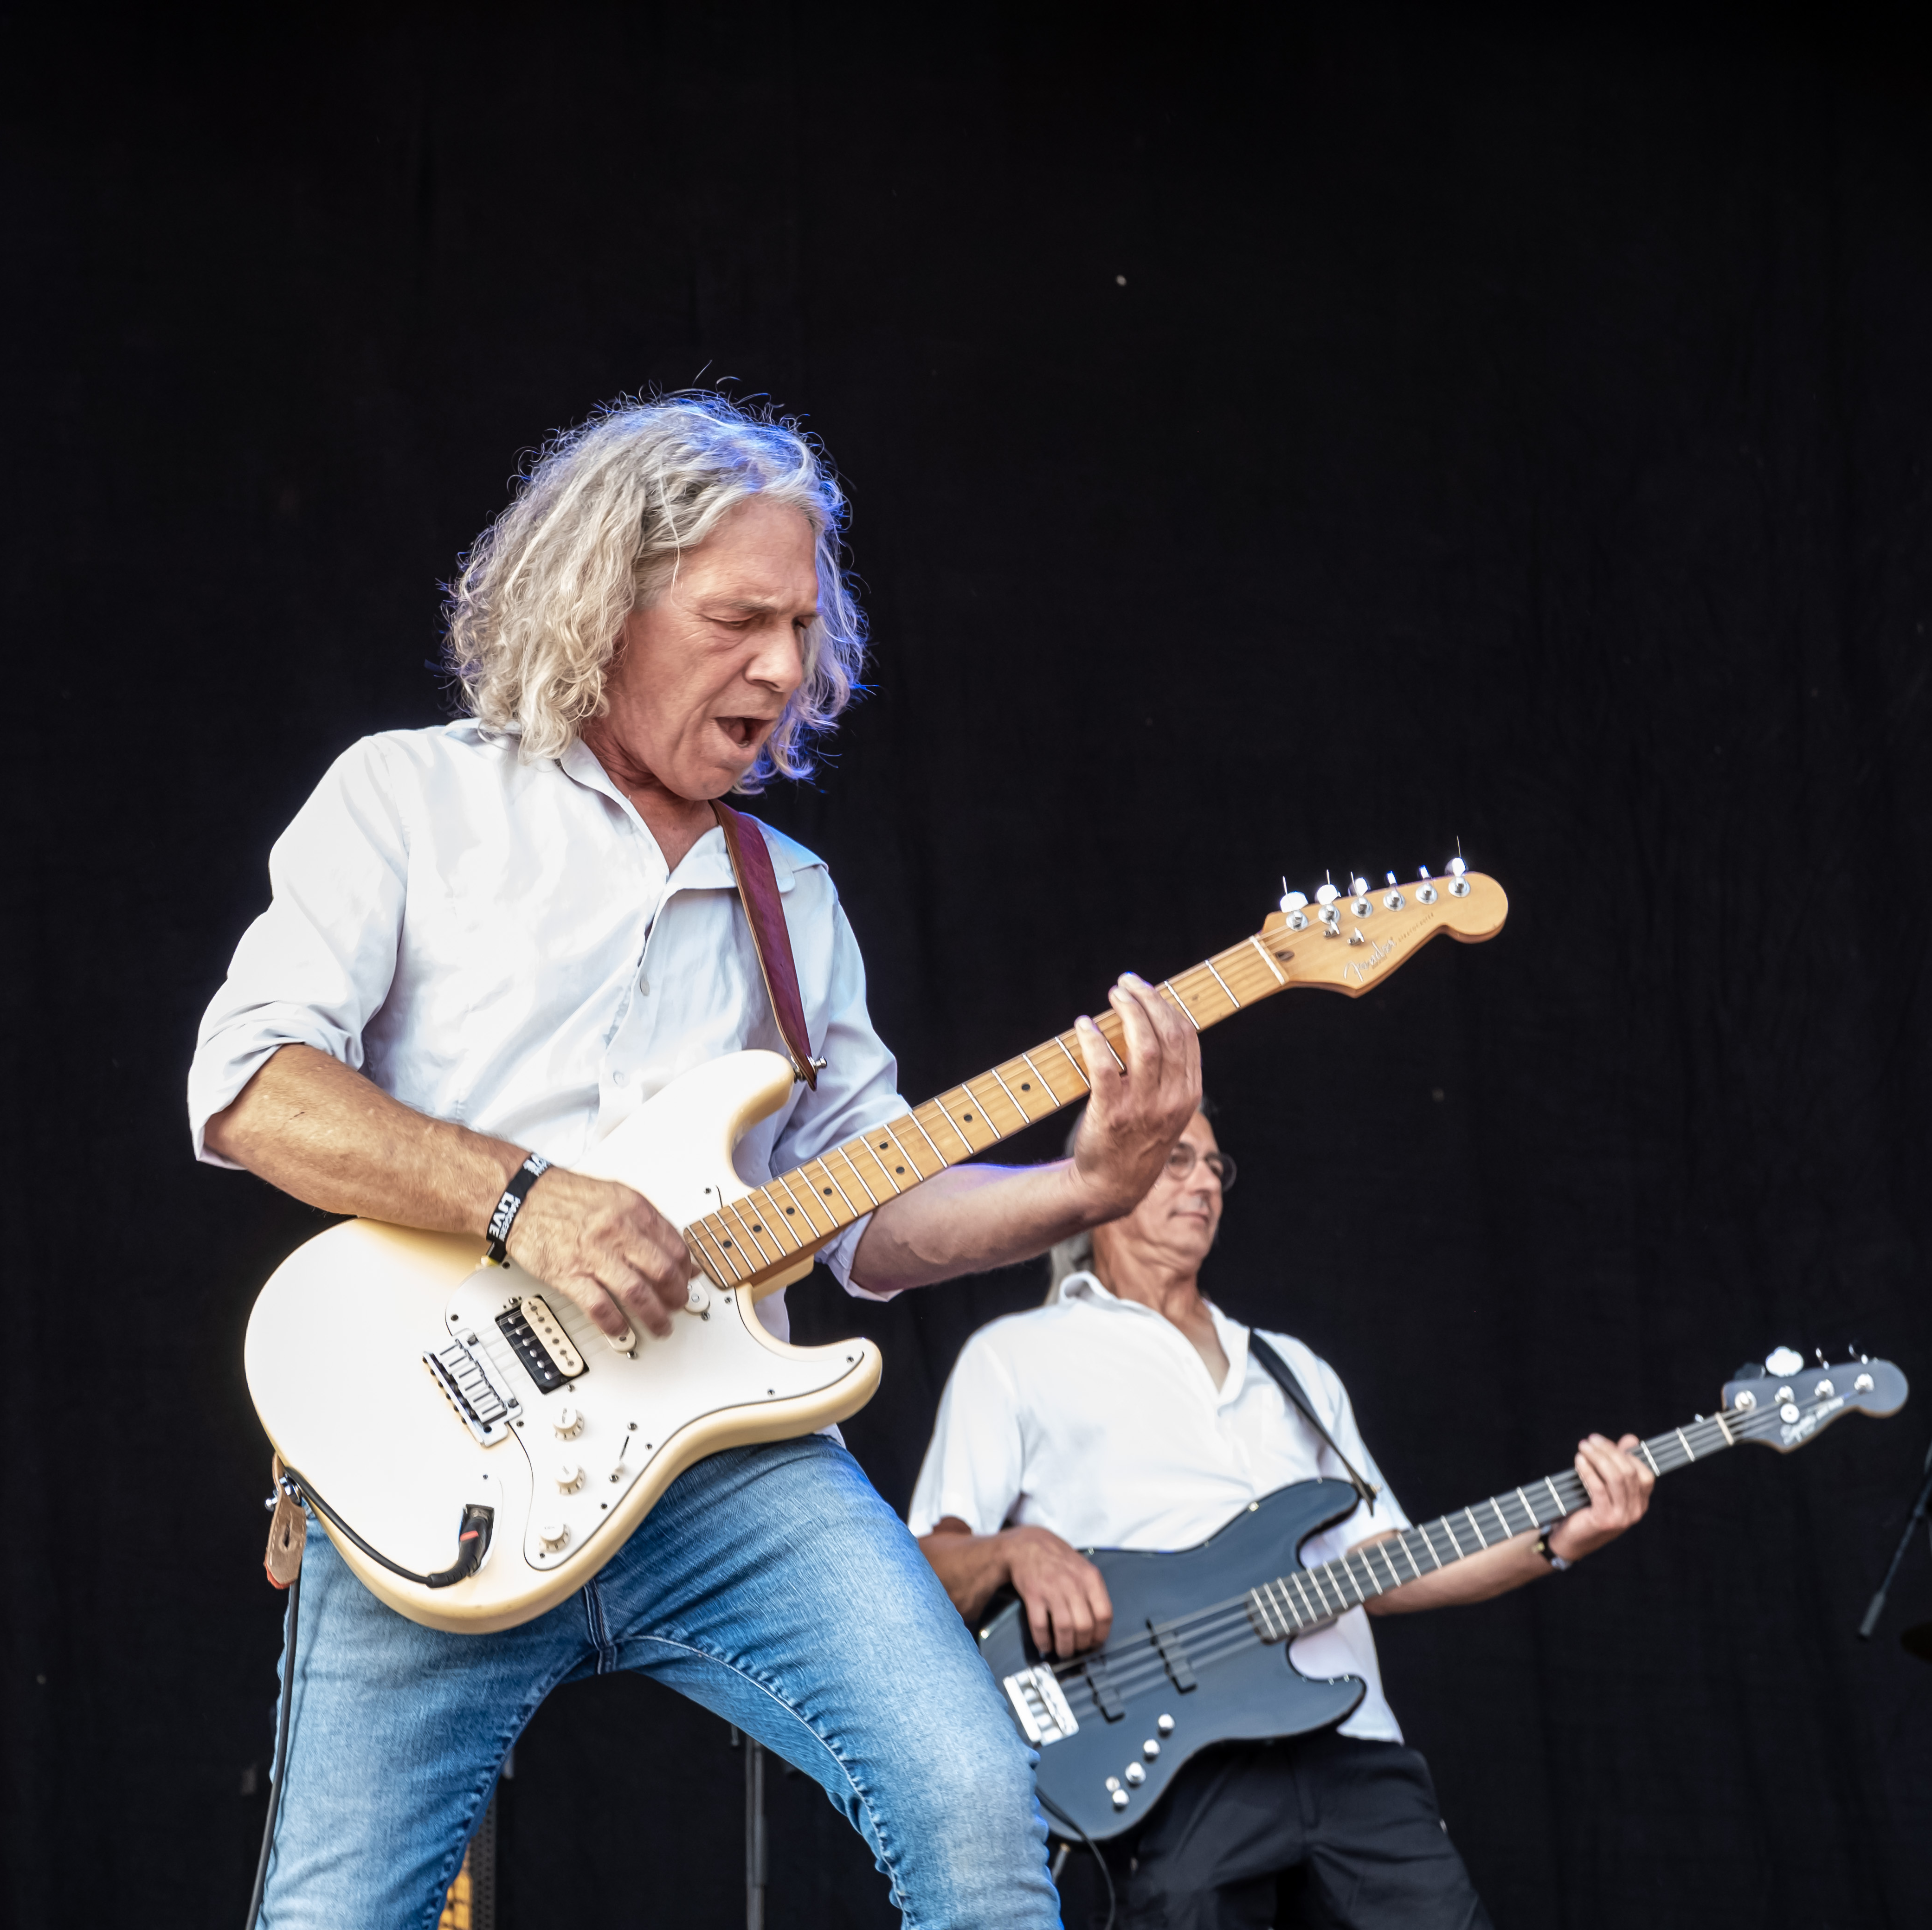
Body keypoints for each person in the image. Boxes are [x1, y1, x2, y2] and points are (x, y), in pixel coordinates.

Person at [190, 392, 1203, 1930]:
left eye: (802, 626)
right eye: (739, 620)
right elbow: (252, 1086)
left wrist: (1089, 1189)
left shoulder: (793, 897)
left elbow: (868, 1215)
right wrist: (524, 1201)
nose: (786, 668)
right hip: (442, 1463)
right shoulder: (410, 798)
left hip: (729, 1470)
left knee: (976, 1807)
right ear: (603, 605)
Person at [909, 1105, 1656, 1930]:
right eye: (1176, 1159)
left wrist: (1558, 1541)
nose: (1204, 1183)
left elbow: (1388, 1563)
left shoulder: (1294, 1370)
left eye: (1215, 1166)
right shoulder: (1017, 1356)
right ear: (1109, 1172)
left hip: (1351, 1746)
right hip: (1180, 1764)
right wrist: (1018, 1551)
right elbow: (922, 1569)